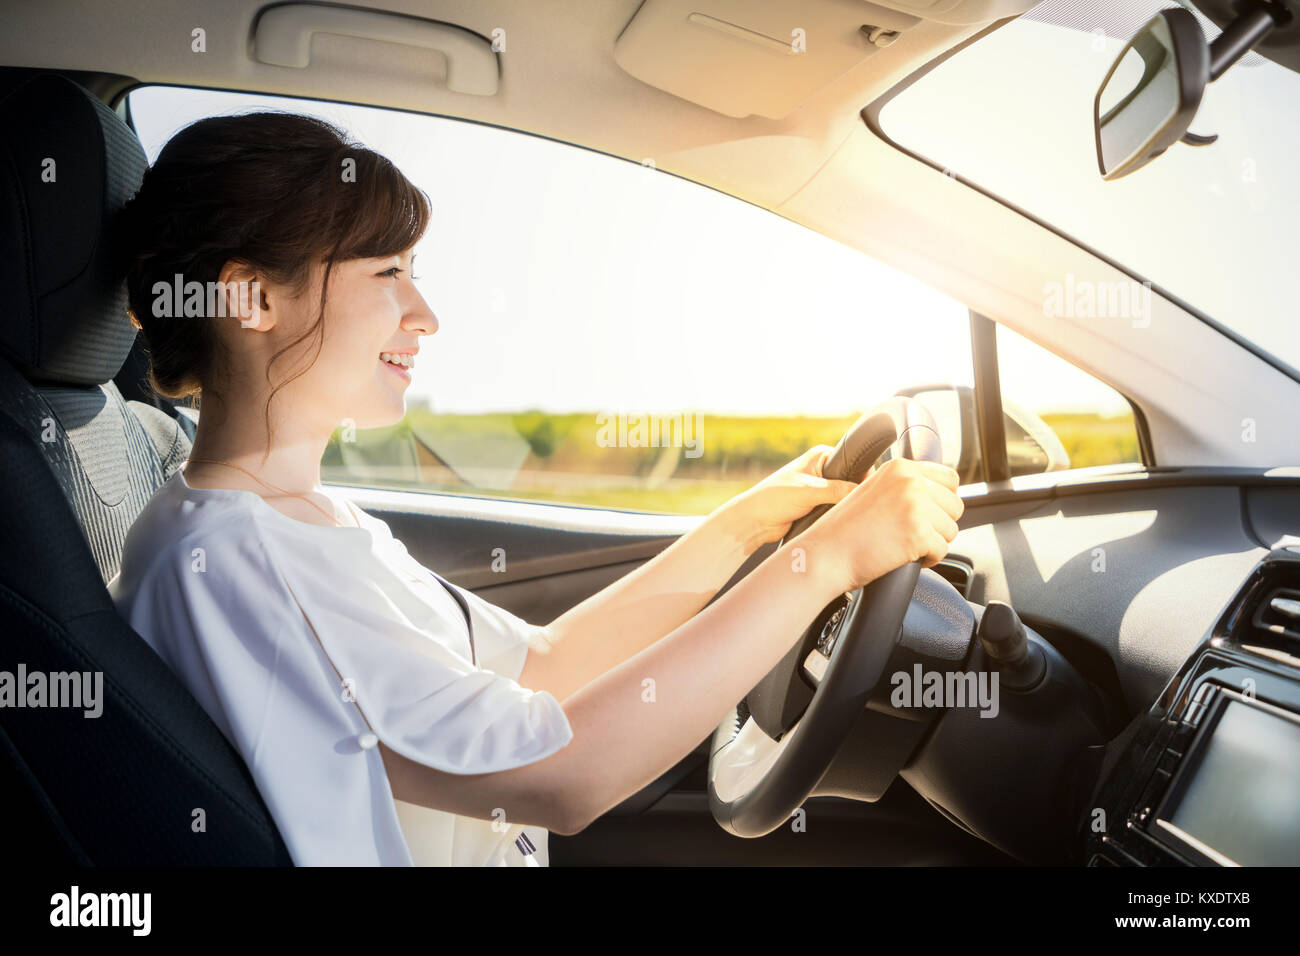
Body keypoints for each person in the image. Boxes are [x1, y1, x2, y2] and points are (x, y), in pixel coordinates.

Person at [107, 111, 964, 866]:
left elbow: (539, 672)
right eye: (386, 274)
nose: (425, 314)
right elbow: (562, 776)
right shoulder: (238, 556)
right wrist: (826, 561)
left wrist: (744, 529)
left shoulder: (304, 523)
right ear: (252, 297)